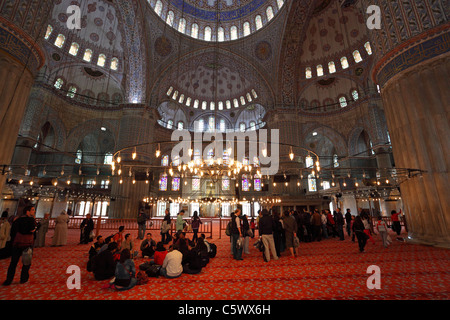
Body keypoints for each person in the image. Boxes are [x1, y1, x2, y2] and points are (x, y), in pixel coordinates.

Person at [3, 206, 37, 285]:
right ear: (27, 212)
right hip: (27, 244)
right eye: (32, 210)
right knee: (26, 263)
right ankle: (23, 279)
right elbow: (32, 231)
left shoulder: (17, 220)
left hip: (17, 244)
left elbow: (12, 233)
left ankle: (9, 280)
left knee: (13, 263)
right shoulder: (31, 220)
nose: (34, 211)